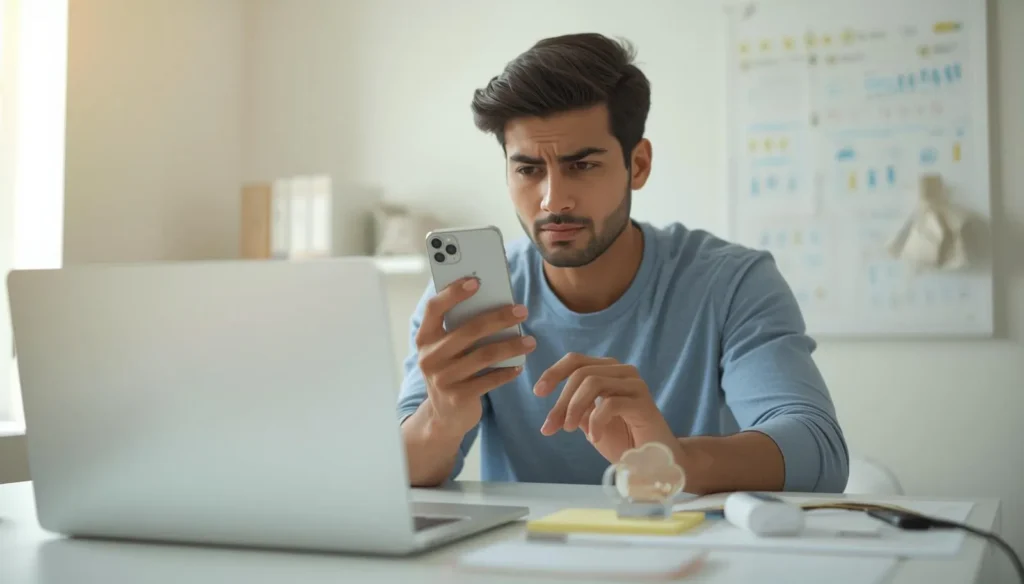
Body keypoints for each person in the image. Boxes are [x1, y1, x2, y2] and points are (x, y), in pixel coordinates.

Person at [396, 33, 849, 494]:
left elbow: (821, 453)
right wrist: (441, 419)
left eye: (582, 166)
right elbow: (395, 473)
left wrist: (674, 461)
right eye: (528, 169)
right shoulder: (466, 297)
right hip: (525, 559)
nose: (554, 199)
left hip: (696, 556)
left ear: (638, 164)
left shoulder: (732, 283)